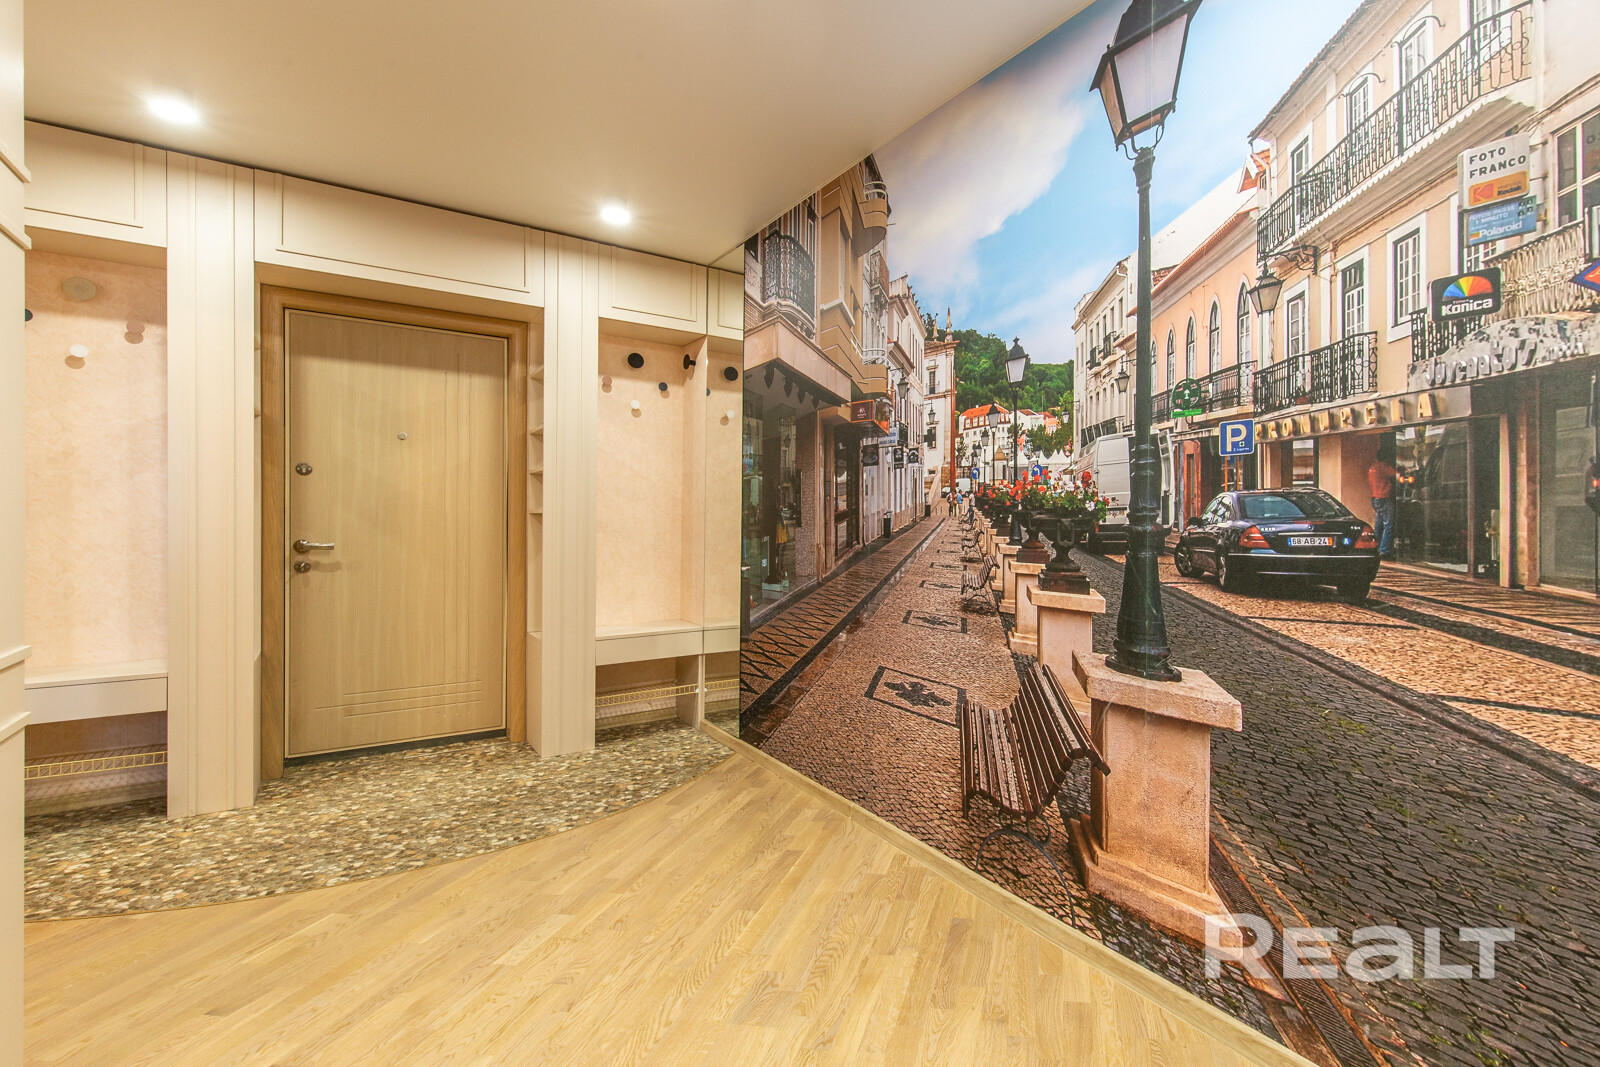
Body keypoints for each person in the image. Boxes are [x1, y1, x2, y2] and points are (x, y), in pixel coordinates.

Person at [1368, 442, 1398, 560]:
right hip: (1383, 498)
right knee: (1388, 525)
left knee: (1379, 525)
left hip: (1375, 498)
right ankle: (1384, 550)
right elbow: (1394, 474)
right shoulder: (1383, 467)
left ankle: (1375, 547)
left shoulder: (1373, 468)